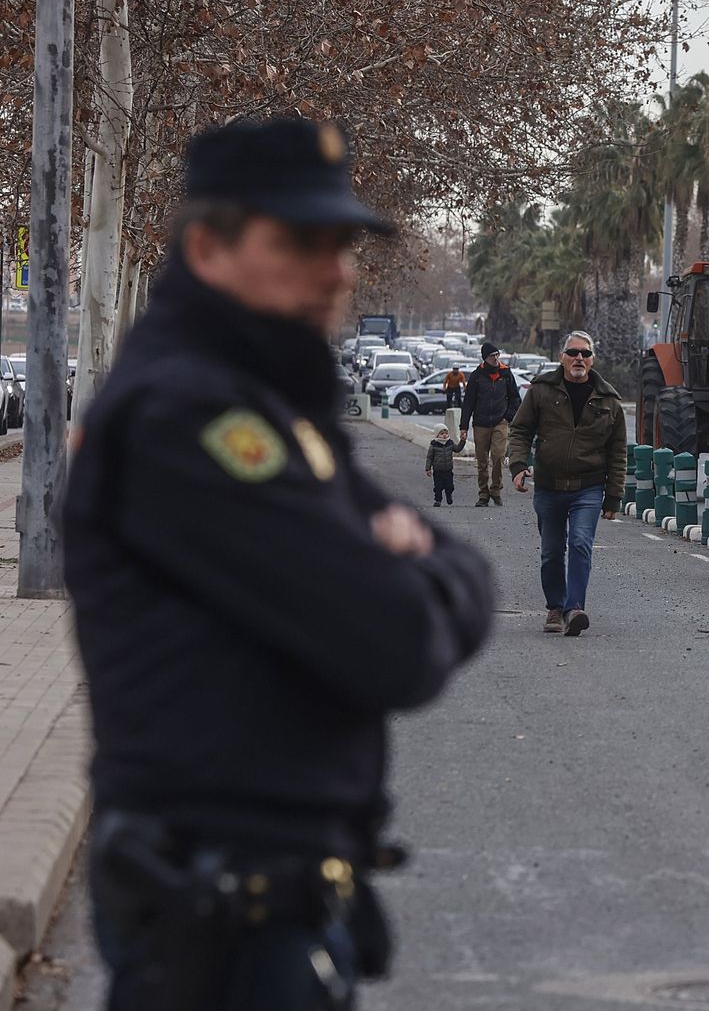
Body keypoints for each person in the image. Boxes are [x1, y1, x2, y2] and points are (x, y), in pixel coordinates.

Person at [62, 117, 495, 1010]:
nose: (335, 270)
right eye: (299, 242)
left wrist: (423, 564)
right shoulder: (190, 416)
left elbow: (460, 566)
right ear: (208, 247)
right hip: (217, 920)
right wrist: (409, 574)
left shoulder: (267, 398)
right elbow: (395, 641)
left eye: (341, 243)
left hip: (280, 903)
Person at [507, 330, 628, 636]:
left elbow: (618, 451)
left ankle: (574, 608)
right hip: (548, 486)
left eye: (585, 354)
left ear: (592, 360)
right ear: (561, 357)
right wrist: (519, 466)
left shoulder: (609, 400)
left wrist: (613, 496)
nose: (579, 358)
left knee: (580, 544)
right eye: (573, 353)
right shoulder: (541, 390)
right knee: (551, 551)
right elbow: (520, 430)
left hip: (588, 488)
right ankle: (554, 606)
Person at [461, 340, 520, 506]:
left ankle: (496, 489)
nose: (496, 358)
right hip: (480, 423)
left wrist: (508, 417)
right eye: (492, 356)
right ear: (485, 358)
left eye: (497, 355)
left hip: (500, 422)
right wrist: (463, 427)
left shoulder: (506, 373)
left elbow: (515, 398)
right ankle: (483, 494)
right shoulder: (476, 376)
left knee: (499, 455)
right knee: (482, 461)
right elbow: (468, 403)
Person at [425, 422, 467, 506]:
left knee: (449, 486)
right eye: (441, 433)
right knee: (438, 487)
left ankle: (449, 495)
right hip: (437, 471)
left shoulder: (450, 443)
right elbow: (429, 457)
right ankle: (438, 500)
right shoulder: (434, 445)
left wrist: (462, 441)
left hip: (448, 470)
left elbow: (457, 449)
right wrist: (428, 468)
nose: (444, 435)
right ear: (437, 435)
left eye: (446, 433)